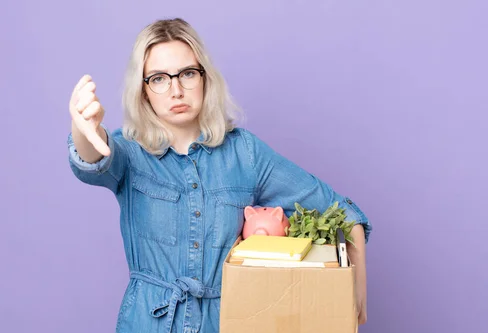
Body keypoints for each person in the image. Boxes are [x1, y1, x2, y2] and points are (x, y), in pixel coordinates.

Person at [66, 18, 372, 333]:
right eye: (158, 78)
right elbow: (93, 159)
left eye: (187, 73)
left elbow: (340, 212)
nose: (176, 90)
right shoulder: (129, 151)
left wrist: (356, 294)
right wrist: (83, 128)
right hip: (146, 323)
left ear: (205, 78)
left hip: (225, 322)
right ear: (143, 91)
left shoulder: (245, 153)